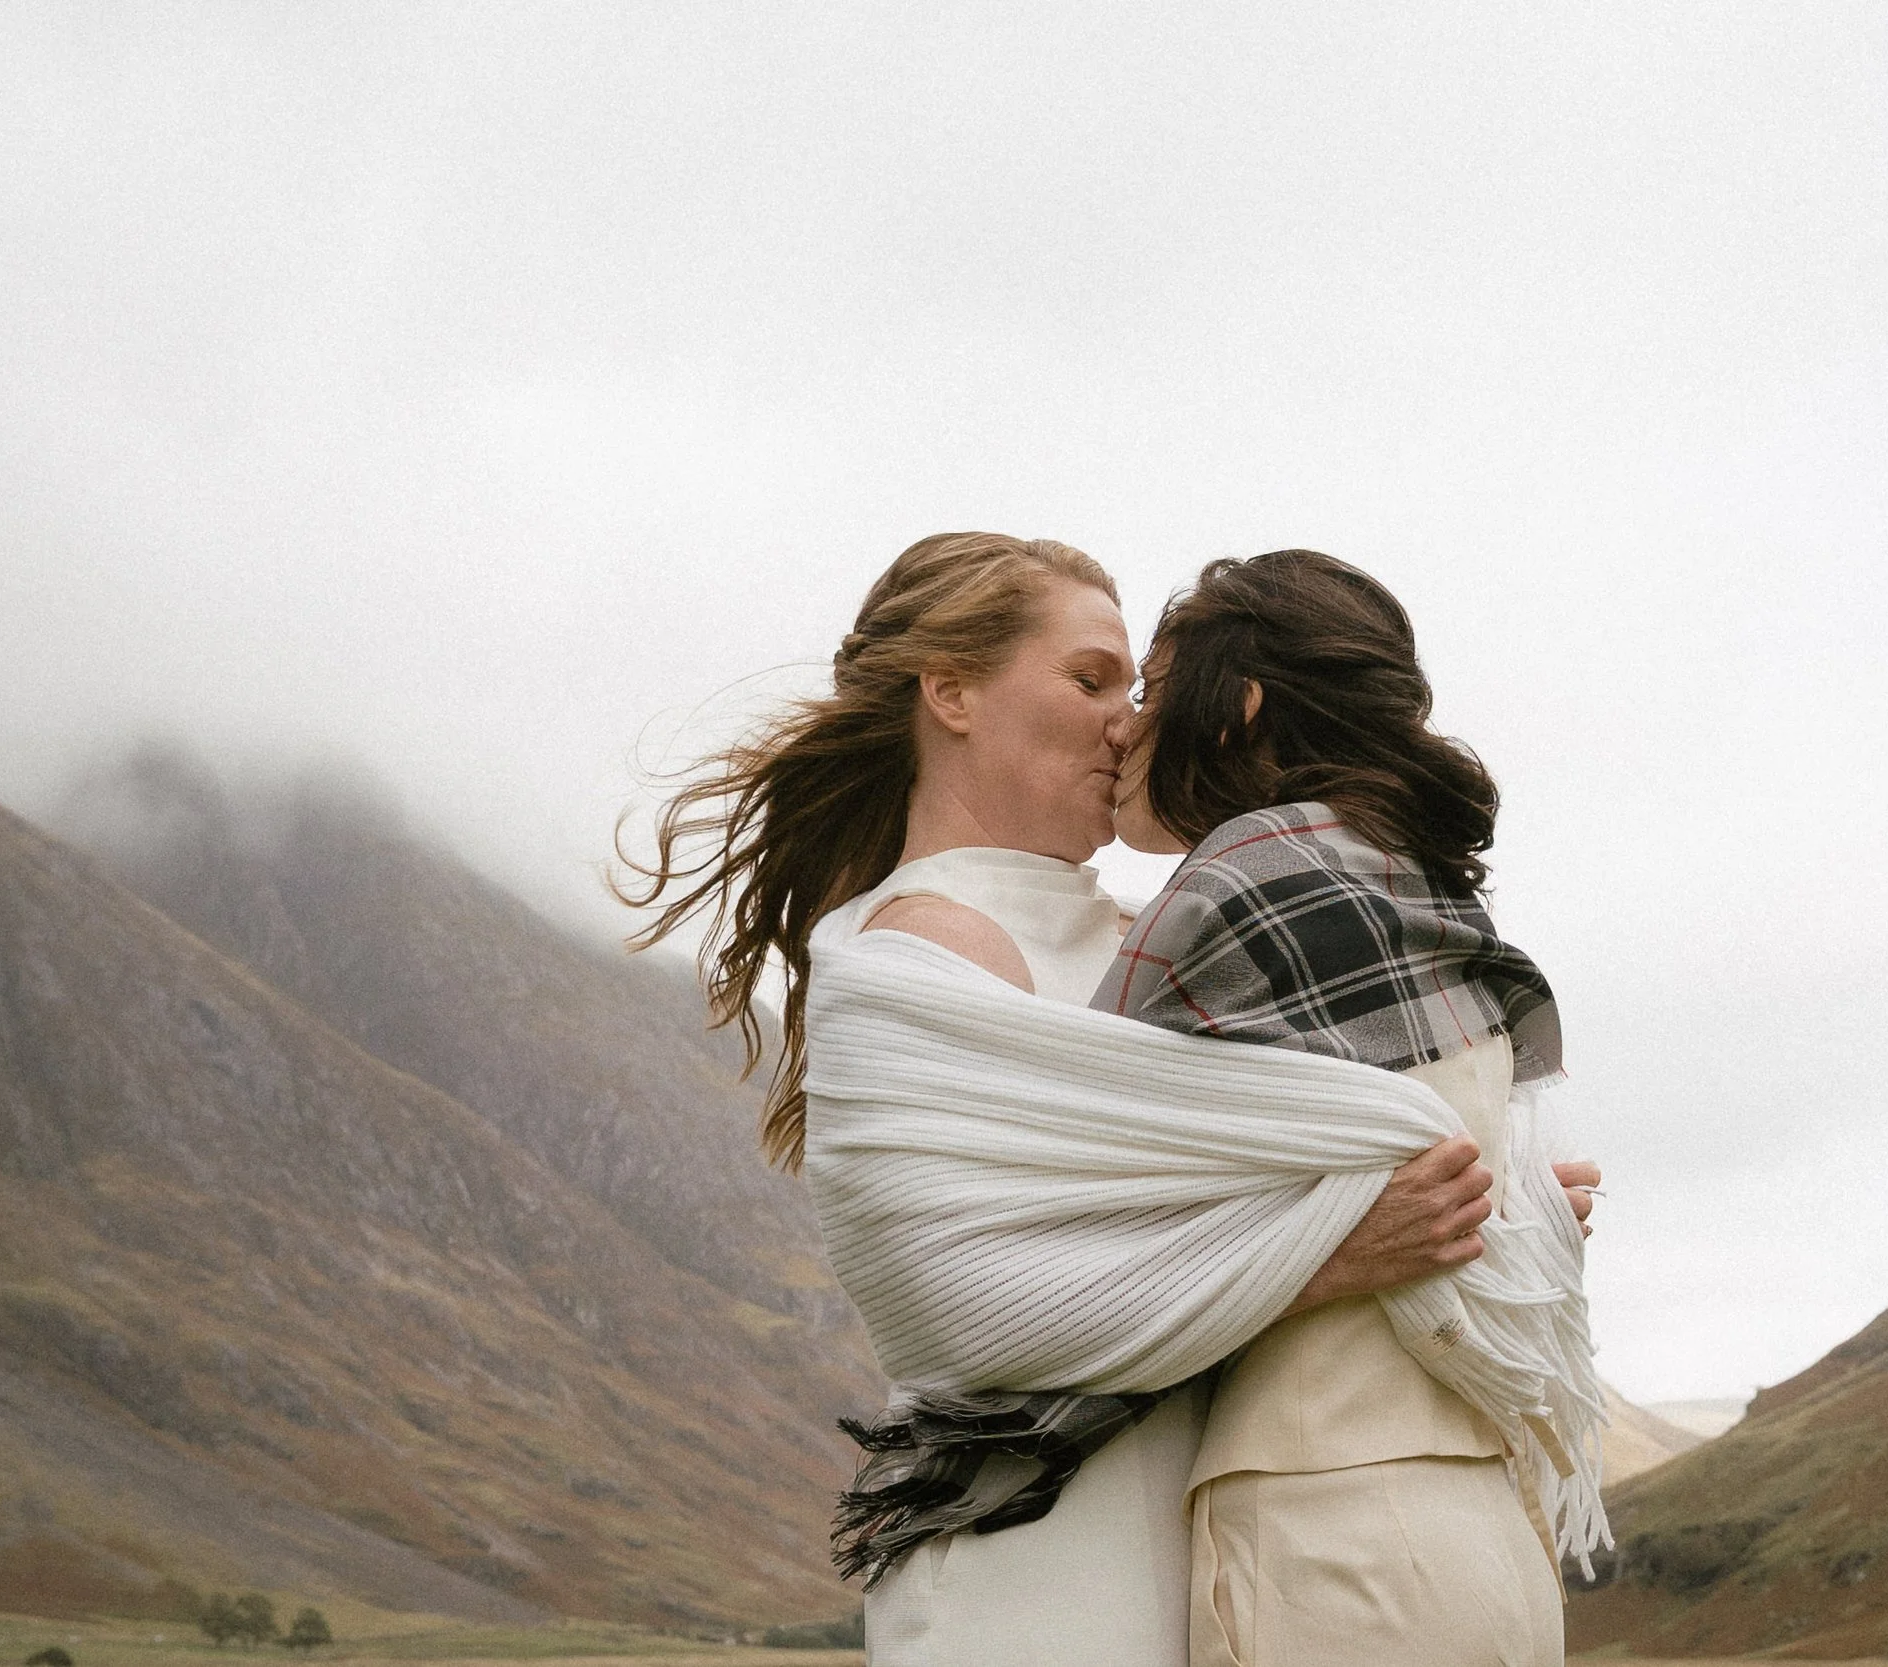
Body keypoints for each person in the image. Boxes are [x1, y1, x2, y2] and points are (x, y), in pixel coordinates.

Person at [619, 532, 1599, 1667]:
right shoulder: (906, 954)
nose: (1126, 721)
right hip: (1031, 1557)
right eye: (1087, 680)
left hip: (1227, 1542)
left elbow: (1369, 1162)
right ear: (950, 690)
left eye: (1133, 690)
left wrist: (1506, 1217)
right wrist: (1334, 1253)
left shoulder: (1170, 933)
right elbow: (960, 1308)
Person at [1101, 548, 1590, 1667]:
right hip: (1487, 1526)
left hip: (1329, 1529)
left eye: (1150, 686)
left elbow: (1076, 1212)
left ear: (1242, 705)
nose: (1125, 727)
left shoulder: (1244, 875)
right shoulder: (1413, 881)